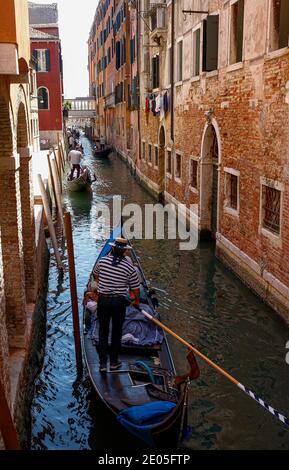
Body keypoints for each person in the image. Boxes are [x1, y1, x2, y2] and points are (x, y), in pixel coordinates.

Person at [93, 238, 140, 373]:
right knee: (117, 331)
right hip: (119, 302)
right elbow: (136, 288)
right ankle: (113, 362)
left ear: (113, 249)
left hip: (103, 300)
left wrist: (104, 284)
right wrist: (136, 302)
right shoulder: (129, 267)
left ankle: (102, 364)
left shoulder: (102, 261)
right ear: (125, 251)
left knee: (103, 331)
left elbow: (96, 275)